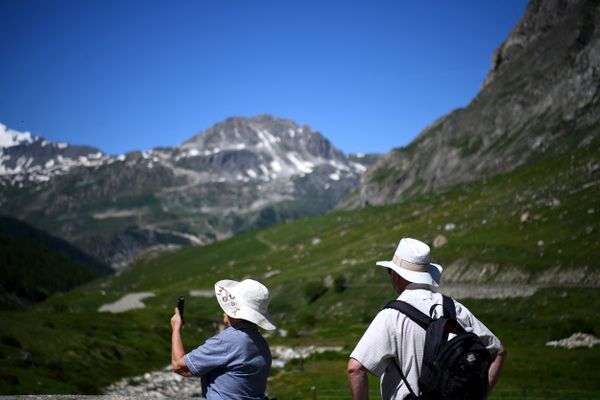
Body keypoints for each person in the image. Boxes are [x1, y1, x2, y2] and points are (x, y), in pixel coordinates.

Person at [347, 238, 506, 400]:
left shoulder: (391, 316)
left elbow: (355, 369)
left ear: (396, 275)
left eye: (390, 272)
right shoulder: (454, 308)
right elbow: (499, 351)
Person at [171, 278, 276, 400]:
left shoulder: (227, 341)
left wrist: (176, 328)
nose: (224, 311)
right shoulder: (261, 342)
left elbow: (180, 367)